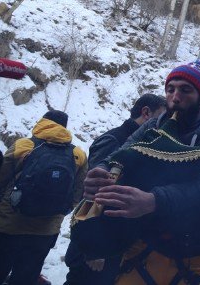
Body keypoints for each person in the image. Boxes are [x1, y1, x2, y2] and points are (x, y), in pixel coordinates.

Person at [83, 60, 200, 285]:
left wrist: (154, 200)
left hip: (193, 249)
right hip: (143, 242)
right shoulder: (153, 126)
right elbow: (118, 155)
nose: (175, 97)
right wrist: (101, 171)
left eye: (185, 90)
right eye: (170, 89)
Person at [64, 93, 167, 285]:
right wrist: (94, 248)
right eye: (161, 116)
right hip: (95, 244)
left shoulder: (139, 145)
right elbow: (93, 195)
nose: (164, 124)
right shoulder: (115, 139)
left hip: (112, 241)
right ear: (146, 113)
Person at [0, 110, 88, 285]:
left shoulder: (23, 145)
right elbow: (79, 192)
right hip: (46, 230)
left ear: (42, 122)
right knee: (25, 278)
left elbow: (1, 179)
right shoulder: (78, 154)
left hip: (9, 225)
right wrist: (60, 213)